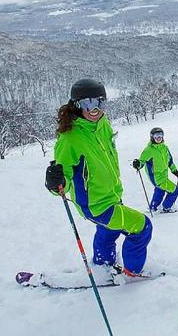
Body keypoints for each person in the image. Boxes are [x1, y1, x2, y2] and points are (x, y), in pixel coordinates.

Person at [45, 78, 152, 277]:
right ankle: (133, 271)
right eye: (87, 103)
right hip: (95, 205)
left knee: (108, 231)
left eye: (99, 102)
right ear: (76, 105)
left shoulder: (103, 125)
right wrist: (56, 182)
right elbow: (64, 179)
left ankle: (103, 265)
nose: (94, 109)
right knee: (141, 227)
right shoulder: (70, 139)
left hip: (111, 195)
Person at [132, 128, 178, 213]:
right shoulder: (149, 150)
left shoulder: (165, 148)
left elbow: (170, 161)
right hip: (156, 177)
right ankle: (167, 207)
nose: (159, 137)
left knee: (160, 191)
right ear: (152, 137)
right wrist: (137, 164)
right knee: (174, 190)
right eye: (156, 136)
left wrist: (175, 172)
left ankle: (153, 207)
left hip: (164, 176)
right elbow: (142, 161)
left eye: (160, 135)